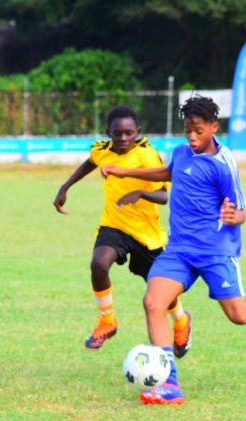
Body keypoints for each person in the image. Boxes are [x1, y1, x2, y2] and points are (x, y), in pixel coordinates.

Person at [102, 96, 246, 406]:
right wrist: (123, 171)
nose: (192, 137)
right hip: (179, 251)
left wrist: (232, 217)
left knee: (238, 316)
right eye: (187, 130)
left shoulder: (223, 164)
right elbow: (168, 172)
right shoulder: (182, 153)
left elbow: (241, 211)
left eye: (198, 130)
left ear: (214, 127)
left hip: (215, 252)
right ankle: (169, 383)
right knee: (154, 302)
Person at [54, 106, 191, 354]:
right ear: (109, 133)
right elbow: (91, 162)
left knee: (162, 293)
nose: (123, 139)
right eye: (117, 134)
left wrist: (139, 192)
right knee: (98, 264)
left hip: (147, 235)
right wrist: (65, 187)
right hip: (114, 226)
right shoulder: (101, 150)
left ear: (138, 132)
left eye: (129, 133)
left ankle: (181, 320)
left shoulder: (148, 155)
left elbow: (163, 196)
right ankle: (107, 321)